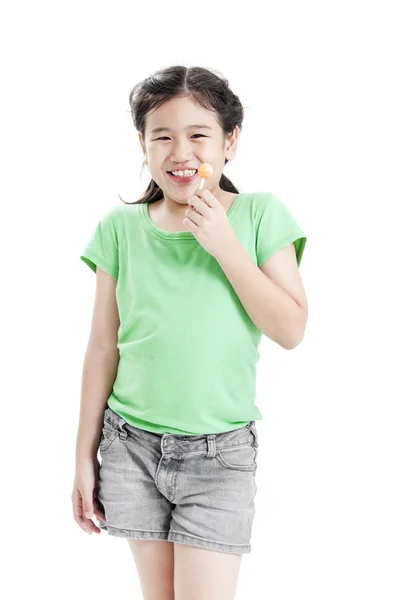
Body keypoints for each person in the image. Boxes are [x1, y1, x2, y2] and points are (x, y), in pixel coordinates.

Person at [72, 65, 308, 600]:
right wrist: (83, 456)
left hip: (218, 454)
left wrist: (224, 245)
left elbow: (291, 329)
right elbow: (102, 347)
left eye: (199, 135)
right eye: (163, 136)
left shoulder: (257, 215)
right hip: (130, 445)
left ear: (231, 142)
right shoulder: (118, 229)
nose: (181, 152)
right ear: (142, 144)